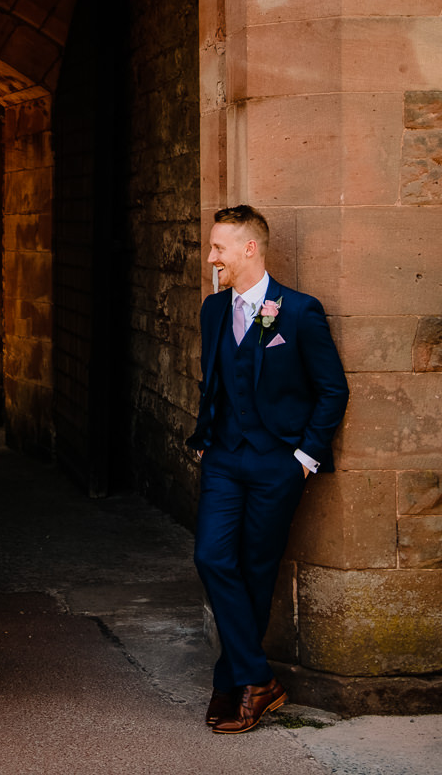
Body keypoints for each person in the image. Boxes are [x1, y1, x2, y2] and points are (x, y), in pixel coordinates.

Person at [187, 205, 348, 734]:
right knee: (211, 556)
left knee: (257, 570)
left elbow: (332, 390)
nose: (211, 258)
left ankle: (232, 683)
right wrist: (207, 439)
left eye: (218, 248)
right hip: (225, 459)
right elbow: (216, 378)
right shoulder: (214, 309)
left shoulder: (299, 311)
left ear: (249, 249)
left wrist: (303, 459)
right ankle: (258, 676)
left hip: (279, 462)